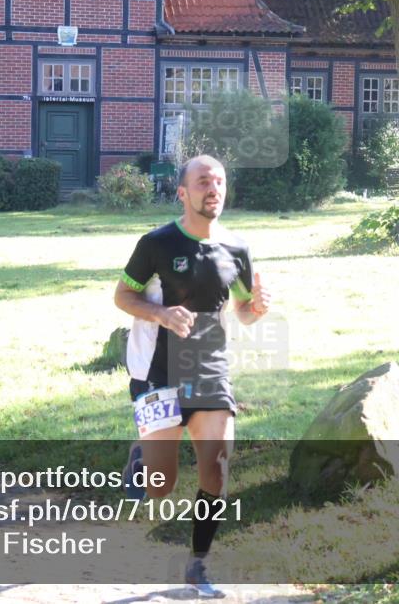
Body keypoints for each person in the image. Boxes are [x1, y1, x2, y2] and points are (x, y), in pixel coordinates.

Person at [113, 154, 271, 598]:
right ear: (183, 193)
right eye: (203, 182)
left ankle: (198, 563)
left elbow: (242, 308)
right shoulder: (157, 243)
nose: (213, 188)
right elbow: (123, 296)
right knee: (161, 487)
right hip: (158, 371)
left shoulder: (237, 249)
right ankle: (143, 458)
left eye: (219, 181)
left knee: (217, 468)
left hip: (210, 369)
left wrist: (256, 308)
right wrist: (161, 314)